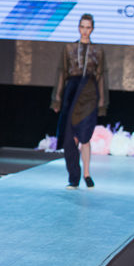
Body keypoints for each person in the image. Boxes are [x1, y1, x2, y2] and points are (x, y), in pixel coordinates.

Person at [51, 13, 108, 189]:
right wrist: (57, 99)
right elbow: (62, 72)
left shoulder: (98, 50)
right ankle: (73, 177)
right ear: (78, 28)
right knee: (70, 138)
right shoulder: (69, 48)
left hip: (89, 92)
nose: (85, 30)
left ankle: (87, 174)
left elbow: (101, 76)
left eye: (88, 27)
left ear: (92, 29)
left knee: (85, 136)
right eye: (82, 27)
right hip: (72, 91)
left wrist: (102, 103)